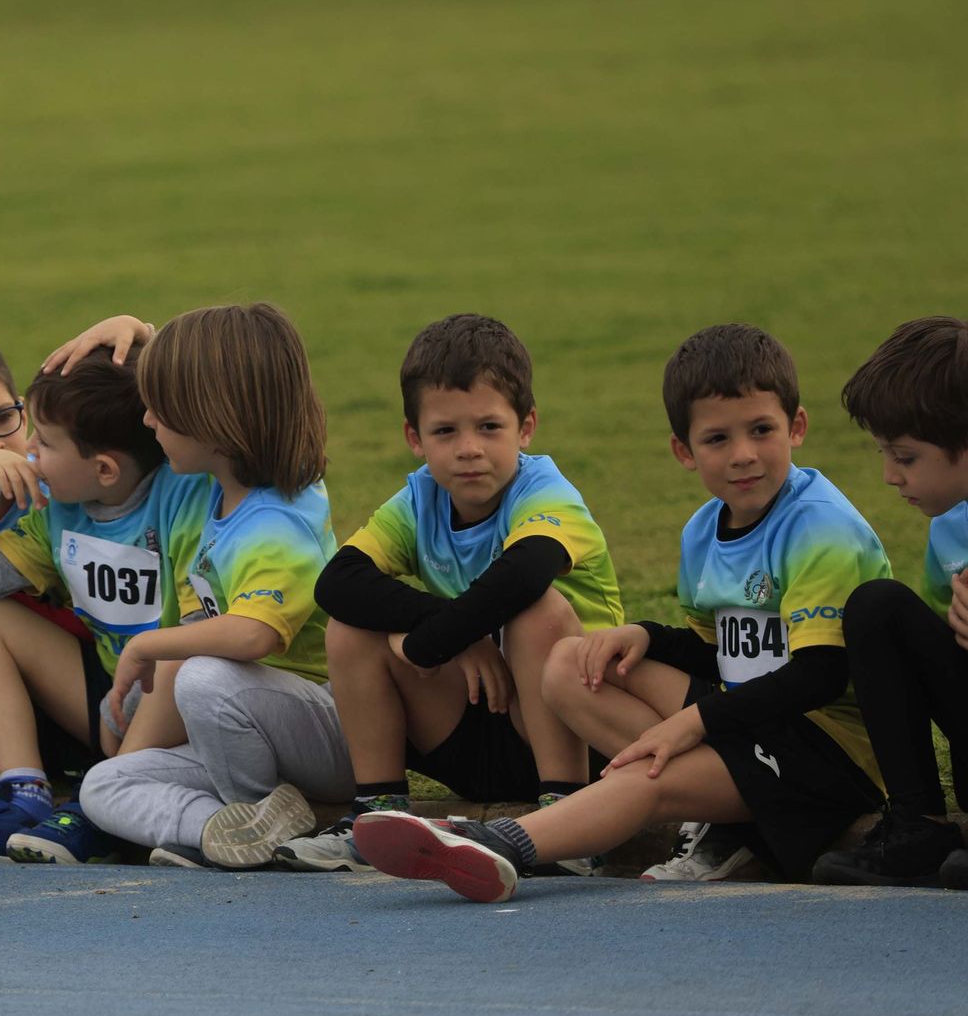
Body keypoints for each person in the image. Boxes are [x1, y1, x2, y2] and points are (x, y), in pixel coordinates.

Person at [353, 323, 889, 901]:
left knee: (646, 779)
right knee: (572, 665)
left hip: (827, 752)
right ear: (684, 451)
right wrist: (645, 636)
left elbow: (820, 675)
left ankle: (497, 843)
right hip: (753, 724)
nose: (743, 455)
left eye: (761, 430)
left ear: (797, 427)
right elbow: (724, 655)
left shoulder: (818, 528)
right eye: (716, 440)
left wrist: (694, 724)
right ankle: (723, 823)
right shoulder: (704, 529)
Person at [282, 313, 621, 874]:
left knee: (535, 611)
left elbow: (525, 574)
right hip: (468, 723)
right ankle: (376, 813)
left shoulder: (547, 492)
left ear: (526, 427)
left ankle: (568, 821)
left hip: (574, 731)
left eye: (489, 427)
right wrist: (460, 638)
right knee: (352, 625)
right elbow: (337, 581)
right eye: (446, 432)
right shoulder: (419, 501)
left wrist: (425, 643)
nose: (468, 449)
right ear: (415, 438)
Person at [63, 304, 347, 870]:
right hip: (243, 733)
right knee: (103, 785)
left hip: (326, 734)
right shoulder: (218, 486)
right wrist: (138, 333)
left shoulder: (278, 519)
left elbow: (252, 637)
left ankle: (270, 808)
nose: (145, 422)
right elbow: (218, 365)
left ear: (214, 421)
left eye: (160, 411)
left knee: (201, 675)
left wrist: (146, 645)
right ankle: (226, 827)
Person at [0, 344, 211, 864]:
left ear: (106, 470)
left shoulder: (185, 495)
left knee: (184, 659)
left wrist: (138, 334)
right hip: (111, 705)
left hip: (184, 708)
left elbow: (202, 383)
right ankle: (23, 796)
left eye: (44, 443)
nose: (26, 452)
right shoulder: (55, 513)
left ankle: (107, 808)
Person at [812, 316, 968, 889]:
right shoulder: (951, 530)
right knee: (877, 607)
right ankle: (918, 825)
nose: (888, 476)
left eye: (905, 457)